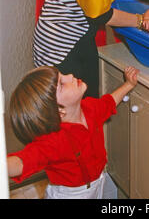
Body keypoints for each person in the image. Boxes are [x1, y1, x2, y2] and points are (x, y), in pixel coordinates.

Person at [7, 65, 139, 199]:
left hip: (98, 181)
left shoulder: (90, 108)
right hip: (71, 194)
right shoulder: (53, 142)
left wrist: (129, 84)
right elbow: (22, 162)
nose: (70, 76)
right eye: (62, 84)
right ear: (59, 110)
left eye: (63, 75)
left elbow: (109, 102)